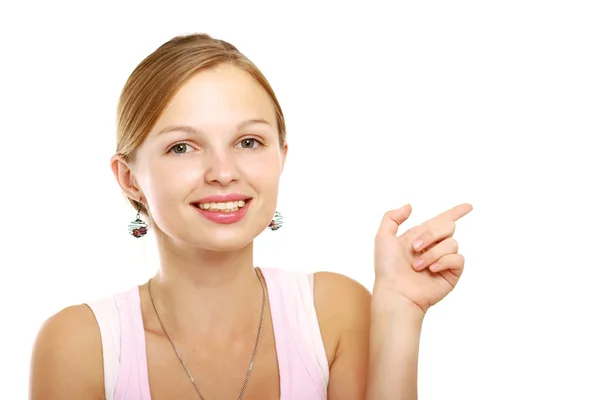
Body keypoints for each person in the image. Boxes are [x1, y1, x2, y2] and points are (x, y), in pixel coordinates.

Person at [29, 33, 473, 400]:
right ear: (129, 179)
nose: (223, 173)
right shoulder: (79, 346)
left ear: (281, 157)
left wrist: (399, 312)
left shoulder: (333, 314)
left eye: (248, 142)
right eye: (182, 146)